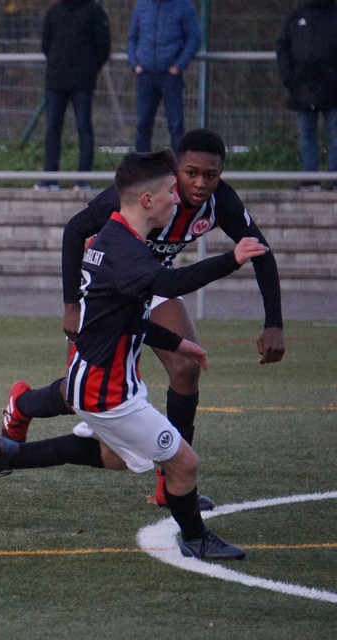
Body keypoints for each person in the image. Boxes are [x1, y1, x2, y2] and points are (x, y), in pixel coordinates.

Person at [0, 150, 270, 561]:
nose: (177, 198)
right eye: (170, 191)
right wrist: (231, 259)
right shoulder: (127, 252)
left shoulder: (112, 239)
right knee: (184, 463)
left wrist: (178, 343)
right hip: (109, 393)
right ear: (147, 200)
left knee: (114, 457)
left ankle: (12, 454)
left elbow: (130, 316)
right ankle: (196, 537)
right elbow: (170, 283)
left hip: (90, 380)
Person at [26, 128, 284, 510]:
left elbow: (261, 251)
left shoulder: (221, 202)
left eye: (211, 175)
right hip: (106, 286)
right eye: (191, 173)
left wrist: (274, 322)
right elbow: (76, 229)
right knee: (87, 390)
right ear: (177, 168)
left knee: (186, 368)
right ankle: (22, 404)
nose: (200, 183)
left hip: (154, 281)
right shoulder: (148, 189)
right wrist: (71, 304)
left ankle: (172, 481)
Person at [35, 0, 111, 191]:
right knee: (53, 128)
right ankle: (50, 178)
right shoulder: (54, 11)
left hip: (82, 82)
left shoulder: (94, 12)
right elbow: (46, 44)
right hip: (56, 81)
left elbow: (103, 46)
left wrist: (89, 68)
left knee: (84, 128)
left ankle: (83, 179)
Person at [275, 0, 337, 191]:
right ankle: (310, 178)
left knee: (335, 132)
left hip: (333, 88)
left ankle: (334, 178)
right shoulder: (296, 15)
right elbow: (282, 45)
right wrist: (287, 76)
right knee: (306, 133)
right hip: (302, 87)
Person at [127, 0, 201, 154]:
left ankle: (179, 166)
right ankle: (143, 166)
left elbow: (194, 38)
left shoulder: (184, 5)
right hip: (145, 75)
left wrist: (179, 65)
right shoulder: (142, 5)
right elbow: (132, 37)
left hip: (170, 76)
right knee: (143, 124)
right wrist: (134, 64)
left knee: (175, 126)